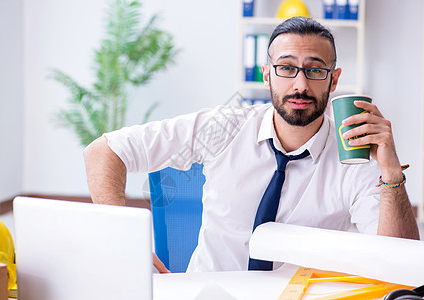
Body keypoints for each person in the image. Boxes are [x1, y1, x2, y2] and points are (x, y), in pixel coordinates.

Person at [83, 17, 419, 273]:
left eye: (315, 70)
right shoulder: (223, 127)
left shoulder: (353, 156)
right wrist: (124, 242)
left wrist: (389, 170)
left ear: (334, 79)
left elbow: (398, 265)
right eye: (287, 68)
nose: (300, 85)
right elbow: (104, 151)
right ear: (267, 74)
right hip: (208, 291)